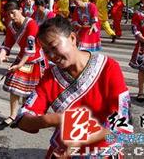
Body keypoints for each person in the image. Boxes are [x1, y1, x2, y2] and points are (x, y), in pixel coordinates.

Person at [15, 16, 133, 158]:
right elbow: (22, 120)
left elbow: (121, 122)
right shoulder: (49, 77)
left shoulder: (108, 67)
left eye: (54, 47)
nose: (52, 56)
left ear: (72, 38)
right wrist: (56, 119)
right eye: (46, 51)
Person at [0, 0, 47, 127]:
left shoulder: (32, 24)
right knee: (14, 87)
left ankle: (24, 115)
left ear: (20, 10)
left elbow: (30, 49)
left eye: (13, 13)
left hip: (34, 60)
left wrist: (20, 65)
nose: (11, 16)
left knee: (29, 91)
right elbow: (7, 43)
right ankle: (13, 115)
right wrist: (3, 53)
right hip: (22, 58)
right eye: (8, 14)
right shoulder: (11, 26)